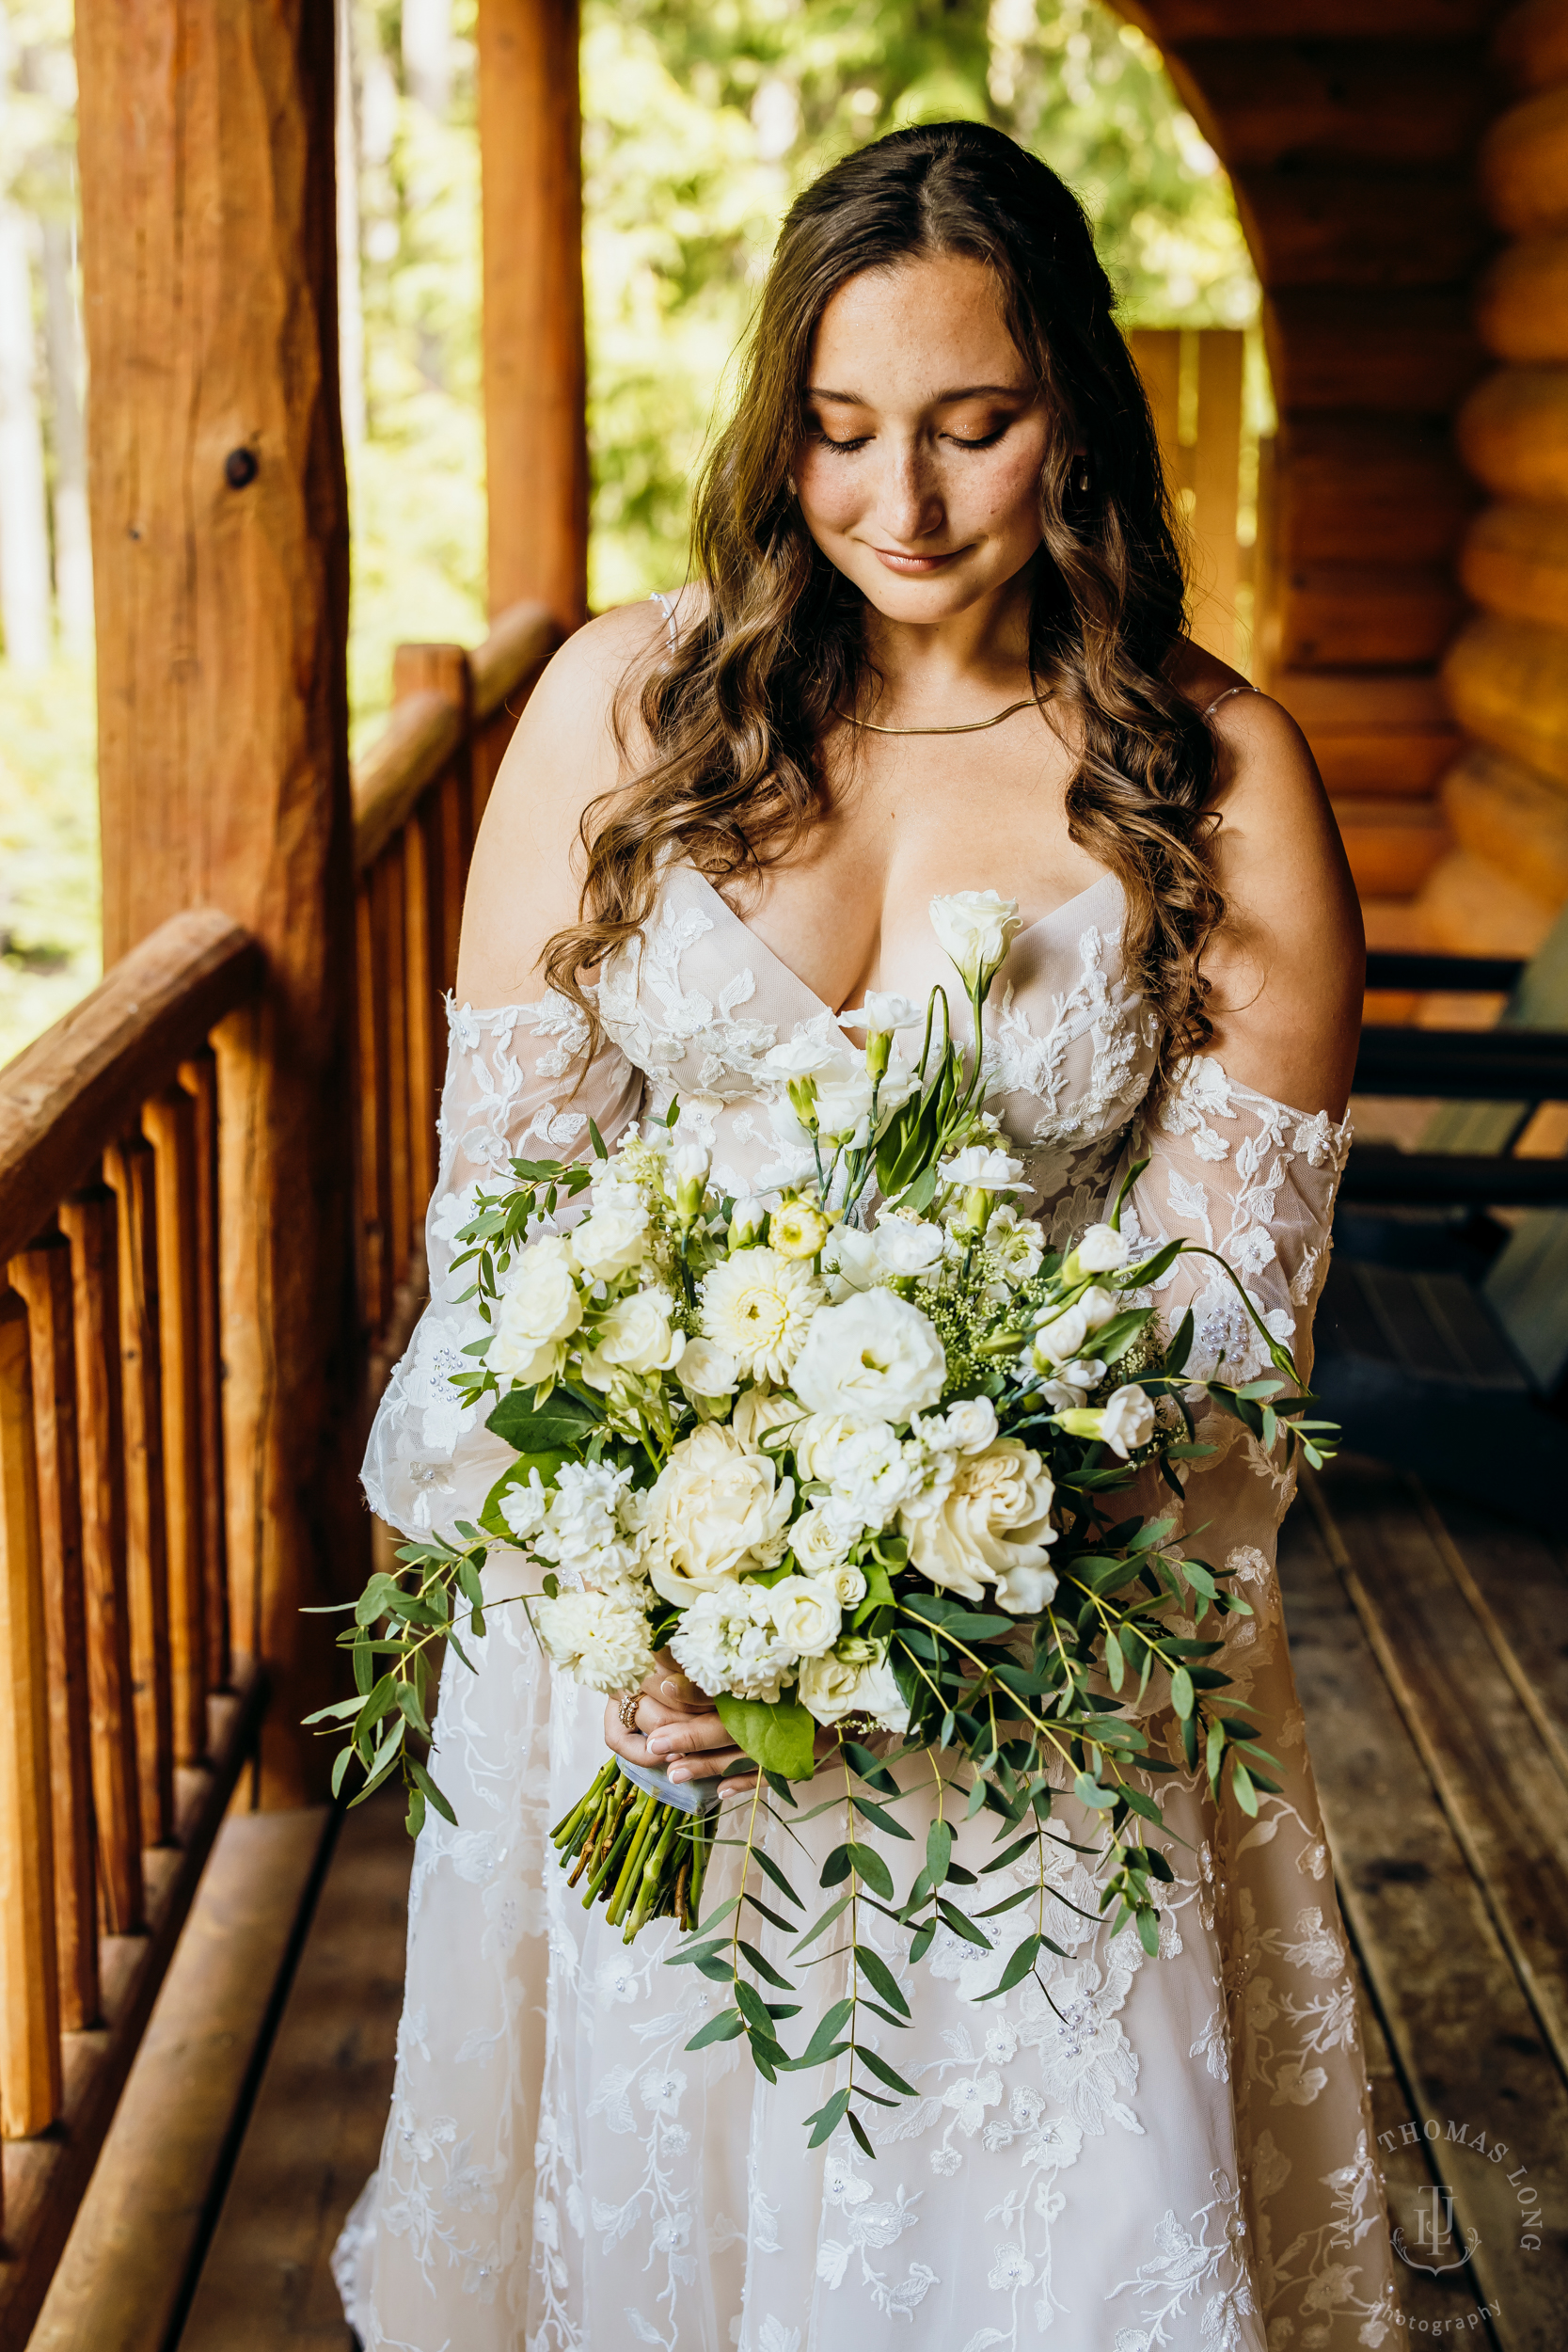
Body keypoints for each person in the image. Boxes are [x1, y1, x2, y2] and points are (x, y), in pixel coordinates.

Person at [336, 119, 1396, 2352]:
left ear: (1077, 422)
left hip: (1042, 1704)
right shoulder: (623, 719)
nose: (896, 505)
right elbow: (500, 1246)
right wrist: (629, 1583)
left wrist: (910, 1576)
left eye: (971, 430)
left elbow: (1227, 1331)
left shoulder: (1220, 778)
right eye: (837, 431)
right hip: (653, 1712)